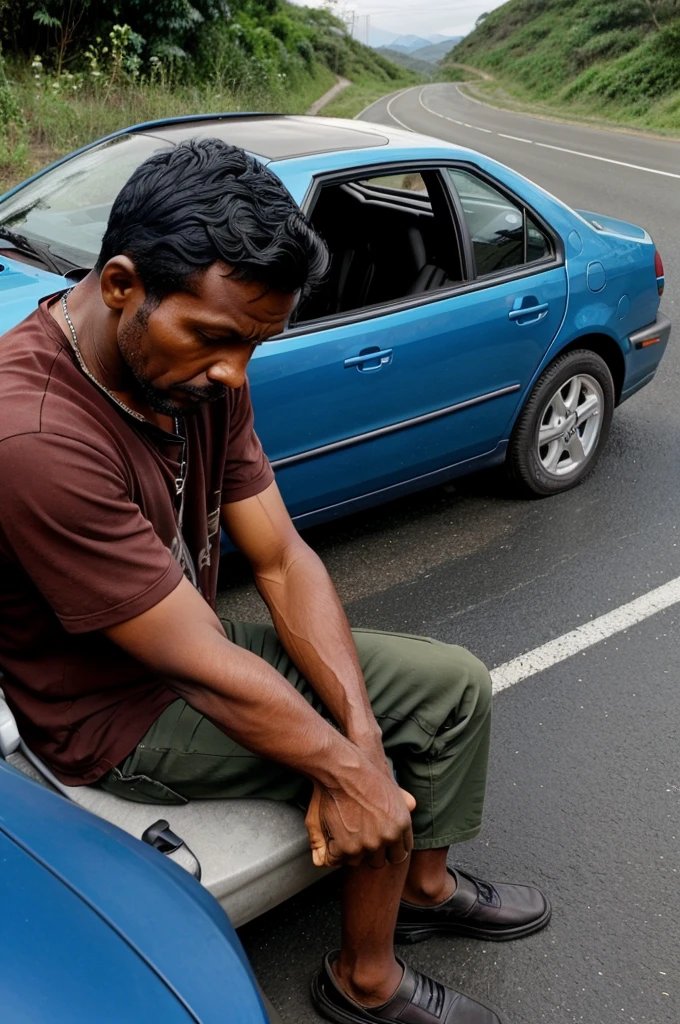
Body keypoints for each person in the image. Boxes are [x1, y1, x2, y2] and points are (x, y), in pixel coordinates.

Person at [0, 139, 550, 1024]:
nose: (234, 373)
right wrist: (354, 766)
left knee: (449, 688)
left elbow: (283, 558)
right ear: (119, 286)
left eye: (256, 343)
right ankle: (363, 985)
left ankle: (424, 887)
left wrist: (359, 732)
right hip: (110, 712)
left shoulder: (203, 374)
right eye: (217, 339)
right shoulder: (32, 435)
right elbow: (192, 667)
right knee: (377, 763)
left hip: (188, 648)